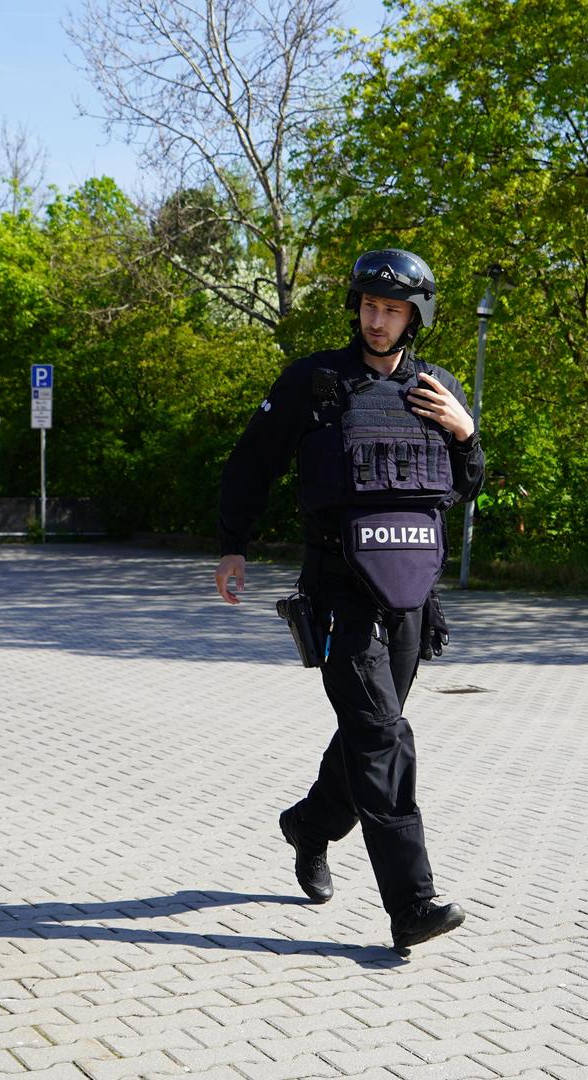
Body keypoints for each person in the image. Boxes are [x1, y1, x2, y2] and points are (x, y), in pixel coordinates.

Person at [215, 249, 485, 954]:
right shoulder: (315, 381)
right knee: (381, 738)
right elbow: (253, 460)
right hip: (338, 593)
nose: (376, 320)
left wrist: (465, 432)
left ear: (415, 316)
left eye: (392, 310)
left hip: (409, 598)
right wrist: (232, 544)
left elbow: (468, 483)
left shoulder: (437, 387)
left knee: (373, 732)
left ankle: (310, 824)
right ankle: (412, 904)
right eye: (368, 306)